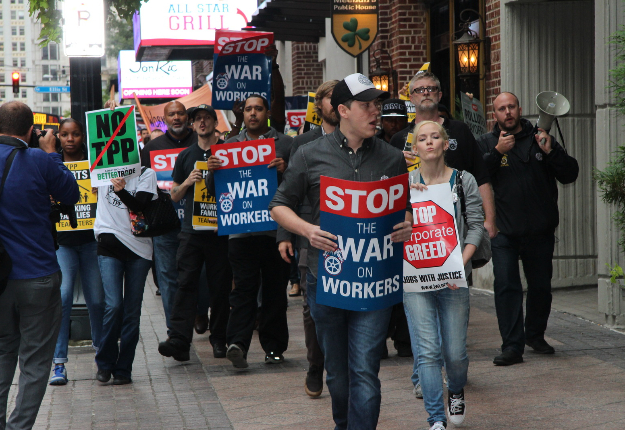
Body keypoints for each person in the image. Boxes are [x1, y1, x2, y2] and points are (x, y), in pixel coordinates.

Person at [270, 73, 413, 430]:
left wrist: (408, 223)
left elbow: (406, 207)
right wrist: (307, 230)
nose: (375, 112)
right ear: (343, 110)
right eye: (366, 106)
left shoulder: (393, 159)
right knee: (338, 372)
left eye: (377, 105)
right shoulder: (308, 154)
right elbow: (279, 205)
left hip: (375, 284)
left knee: (365, 367)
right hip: (326, 282)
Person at [390, 71, 495, 397]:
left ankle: (453, 369)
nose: (426, 93)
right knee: (422, 323)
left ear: (439, 92)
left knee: (452, 325)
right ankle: (424, 377)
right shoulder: (397, 142)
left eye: (432, 88)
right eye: (419, 89)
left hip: (454, 245)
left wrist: (488, 219)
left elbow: (479, 177)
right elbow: (390, 196)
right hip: (417, 249)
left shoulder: (460, 131)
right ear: (411, 95)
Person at [476, 92, 579, 365]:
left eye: (511, 107)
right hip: (505, 231)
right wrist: (498, 153)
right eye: (501, 109)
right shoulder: (487, 143)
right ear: (494, 114)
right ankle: (512, 346)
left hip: (540, 230)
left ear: (519, 109)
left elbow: (570, 173)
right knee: (507, 286)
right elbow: (476, 176)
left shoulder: (541, 137)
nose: (507, 112)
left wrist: (551, 151)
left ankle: (535, 335)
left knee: (541, 287)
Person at [0, 101, 79, 429]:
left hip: (1, 282)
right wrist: (51, 154)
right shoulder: (39, 160)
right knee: (34, 363)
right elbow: (71, 193)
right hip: (38, 275)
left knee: (2, 354)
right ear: (31, 130)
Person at [404, 120, 484, 430]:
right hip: (416, 280)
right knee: (427, 351)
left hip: (454, 279)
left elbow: (476, 226)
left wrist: (460, 265)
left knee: (455, 354)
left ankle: (456, 388)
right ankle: (436, 419)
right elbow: (392, 226)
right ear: (415, 148)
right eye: (422, 138)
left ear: (445, 143)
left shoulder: (464, 181)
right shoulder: (403, 184)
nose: (428, 142)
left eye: (434, 136)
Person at [210, 94, 293, 369]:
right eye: (248, 109)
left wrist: (285, 170)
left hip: (275, 232)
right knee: (243, 290)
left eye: (259, 108)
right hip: (240, 233)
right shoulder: (228, 146)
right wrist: (213, 173)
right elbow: (215, 192)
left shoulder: (286, 144)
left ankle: (274, 347)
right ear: (242, 114)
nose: (253, 113)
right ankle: (238, 345)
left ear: (267, 112)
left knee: (274, 291)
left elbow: (296, 186)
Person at [157, 104, 232, 360]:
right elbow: (174, 196)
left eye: (207, 118)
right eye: (197, 119)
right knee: (185, 284)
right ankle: (178, 340)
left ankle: (219, 339)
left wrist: (219, 171)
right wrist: (188, 181)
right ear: (192, 124)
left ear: (214, 122)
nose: (202, 123)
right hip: (190, 232)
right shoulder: (186, 156)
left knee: (220, 288)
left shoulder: (226, 152)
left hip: (219, 232)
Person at [288, 79, 339, 397]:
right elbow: (287, 195)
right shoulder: (304, 143)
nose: (336, 104)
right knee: (311, 305)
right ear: (319, 104)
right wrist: (286, 234)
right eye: (331, 99)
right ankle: (315, 365)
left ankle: (339, 363)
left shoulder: (361, 140)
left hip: (350, 237)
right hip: (310, 234)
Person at [49, 119, 105, 386]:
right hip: (63, 241)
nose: (70, 139)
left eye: (75, 134)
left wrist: (101, 189)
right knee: (62, 297)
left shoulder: (96, 163)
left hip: (92, 240)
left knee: (96, 300)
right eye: (64, 134)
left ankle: (102, 357)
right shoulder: (51, 163)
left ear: (83, 136)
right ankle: (58, 363)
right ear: (58, 137)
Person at [140, 101, 200, 336]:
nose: (176, 117)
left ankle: (200, 311)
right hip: (165, 225)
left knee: (201, 275)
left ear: (188, 116)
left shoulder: (200, 141)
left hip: (199, 223)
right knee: (167, 277)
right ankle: (175, 330)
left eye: (181, 113)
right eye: (171, 114)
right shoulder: (152, 148)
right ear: (163, 119)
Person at [94, 166, 158, 385]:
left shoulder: (146, 173)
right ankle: (104, 363)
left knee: (132, 312)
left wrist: (121, 190)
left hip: (139, 251)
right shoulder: (101, 169)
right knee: (113, 306)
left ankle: (123, 368)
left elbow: (140, 205)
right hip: (109, 246)